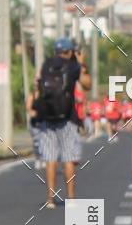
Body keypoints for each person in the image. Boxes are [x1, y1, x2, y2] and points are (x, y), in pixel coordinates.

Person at [34, 37, 91, 208]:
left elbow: (37, 85)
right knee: (68, 159)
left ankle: (50, 199)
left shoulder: (47, 65)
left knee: (50, 159)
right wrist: (81, 64)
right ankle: (71, 198)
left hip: (47, 117)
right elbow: (87, 84)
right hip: (68, 118)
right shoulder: (73, 66)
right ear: (70, 51)